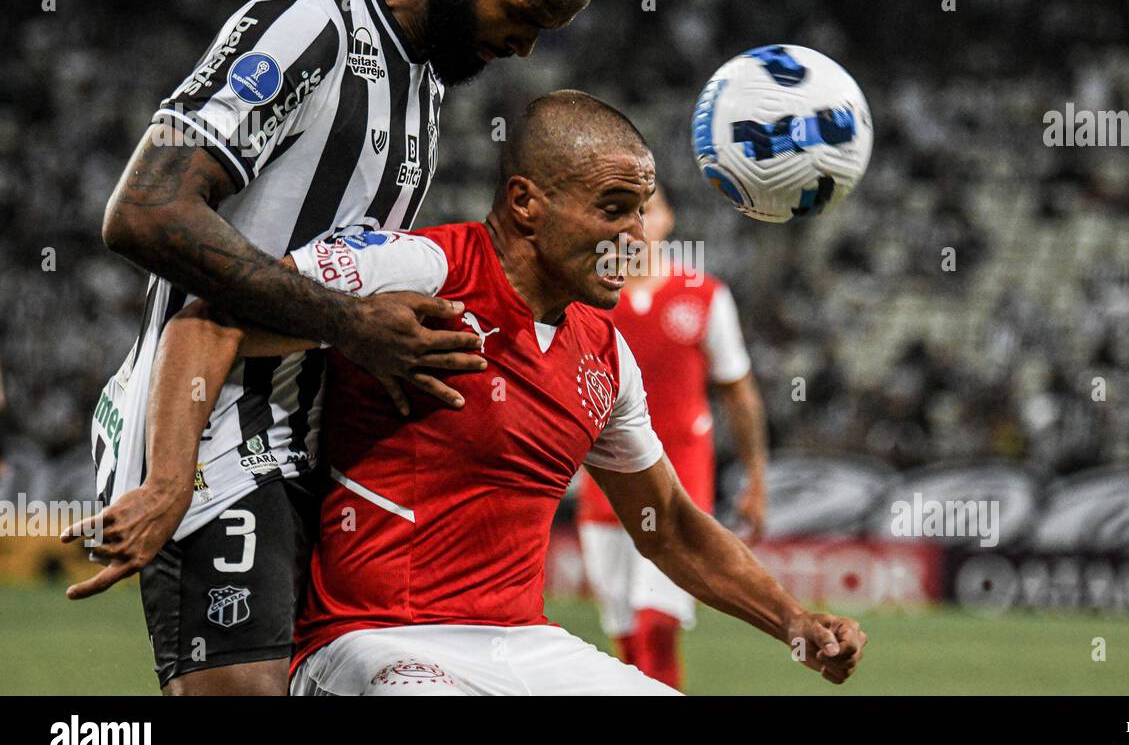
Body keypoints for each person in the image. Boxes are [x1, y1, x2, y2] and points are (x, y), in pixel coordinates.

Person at [65, 0, 601, 696]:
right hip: (210, 429)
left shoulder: (420, 82)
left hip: (307, 445)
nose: (525, 47)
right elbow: (144, 209)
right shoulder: (310, 21)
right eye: (523, 13)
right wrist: (352, 325)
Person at [141, 91, 866, 695]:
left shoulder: (605, 355)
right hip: (374, 643)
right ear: (526, 203)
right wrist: (168, 480)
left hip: (522, 645)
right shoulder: (421, 269)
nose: (636, 237)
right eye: (614, 209)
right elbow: (213, 319)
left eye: (642, 212)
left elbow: (667, 523)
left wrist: (793, 621)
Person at [576, 187, 767, 689]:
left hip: (681, 485)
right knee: (627, 637)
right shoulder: (588, 300)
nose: (636, 223)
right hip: (607, 486)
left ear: (668, 219)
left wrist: (756, 479)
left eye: (648, 209)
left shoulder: (705, 295)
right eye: (621, 212)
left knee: (657, 624)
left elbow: (739, 394)